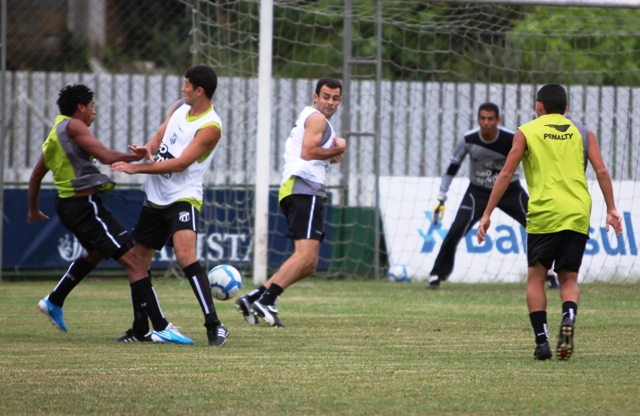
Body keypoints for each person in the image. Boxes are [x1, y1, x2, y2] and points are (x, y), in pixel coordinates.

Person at [29, 84, 193, 345]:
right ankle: (161, 327)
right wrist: (135, 156)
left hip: (67, 205)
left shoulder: (55, 132)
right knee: (136, 262)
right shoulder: (74, 126)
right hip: (86, 208)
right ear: (81, 107)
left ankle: (54, 300)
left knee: (95, 254)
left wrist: (33, 208)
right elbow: (104, 155)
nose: (94, 112)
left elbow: (37, 175)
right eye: (92, 107)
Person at [477, 84, 623, 361]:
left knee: (536, 277)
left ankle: (542, 342)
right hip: (578, 211)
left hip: (544, 213)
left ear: (539, 106)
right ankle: (568, 318)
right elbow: (601, 170)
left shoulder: (527, 131)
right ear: (566, 108)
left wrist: (487, 213)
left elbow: (507, 172)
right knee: (569, 278)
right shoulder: (583, 132)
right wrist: (612, 209)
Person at [111, 65, 228, 346]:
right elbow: (160, 136)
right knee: (137, 262)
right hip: (155, 197)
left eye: (186, 84)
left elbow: (180, 164)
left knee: (186, 255)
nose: (182, 88)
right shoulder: (179, 107)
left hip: (183, 196)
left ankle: (215, 325)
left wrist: (135, 168)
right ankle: (140, 329)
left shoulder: (210, 127)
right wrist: (147, 150)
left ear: (199, 90)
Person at [234, 77, 347, 327]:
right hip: (303, 188)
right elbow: (308, 152)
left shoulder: (314, 119)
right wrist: (337, 150)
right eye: (325, 96)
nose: (330, 102)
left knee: (309, 265)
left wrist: (329, 154)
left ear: (340, 100)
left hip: (303, 189)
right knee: (304, 255)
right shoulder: (317, 118)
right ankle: (267, 301)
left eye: (335, 97)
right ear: (315, 96)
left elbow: (310, 151)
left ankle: (254, 297)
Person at [426, 102, 559, 290]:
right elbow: (452, 167)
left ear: (498, 120)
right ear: (478, 120)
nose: (486, 122)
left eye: (490, 119)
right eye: (482, 118)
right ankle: (436, 274)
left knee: (538, 224)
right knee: (456, 229)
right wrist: (442, 195)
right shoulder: (469, 139)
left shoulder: (511, 139)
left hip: (509, 190)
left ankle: (549, 272)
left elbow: (535, 162)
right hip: (478, 191)